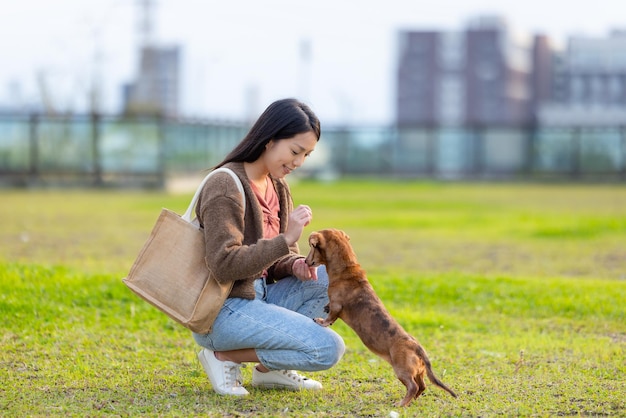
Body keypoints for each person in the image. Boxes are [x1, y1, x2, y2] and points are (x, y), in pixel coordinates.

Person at [193, 98, 345, 396]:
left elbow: (275, 260)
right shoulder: (225, 185)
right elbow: (223, 265)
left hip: (260, 298)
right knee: (327, 348)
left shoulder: (277, 186)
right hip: (222, 311)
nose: (298, 162)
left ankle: (268, 371)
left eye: (306, 155)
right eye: (295, 151)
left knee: (330, 276)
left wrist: (296, 264)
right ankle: (222, 356)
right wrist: (285, 239)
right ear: (269, 140)